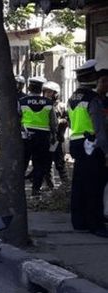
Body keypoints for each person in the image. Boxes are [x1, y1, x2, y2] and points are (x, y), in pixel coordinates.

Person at [67, 60, 108, 237]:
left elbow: (70, 122)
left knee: (79, 185)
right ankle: (96, 225)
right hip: (91, 145)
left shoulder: (72, 98)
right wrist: (106, 152)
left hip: (76, 143)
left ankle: (79, 221)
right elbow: (99, 128)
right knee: (94, 187)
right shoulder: (93, 99)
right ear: (92, 78)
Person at [19, 76, 57, 196]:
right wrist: (54, 135)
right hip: (43, 137)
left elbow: (17, 118)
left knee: (23, 163)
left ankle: (18, 190)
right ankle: (35, 190)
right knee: (39, 164)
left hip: (25, 137)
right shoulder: (49, 103)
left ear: (29, 87)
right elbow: (53, 123)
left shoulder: (22, 101)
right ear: (42, 90)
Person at [42, 81, 69, 188]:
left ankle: (66, 185)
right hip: (45, 138)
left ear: (55, 93)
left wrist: (59, 122)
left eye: (49, 92)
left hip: (57, 138)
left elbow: (67, 120)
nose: (47, 94)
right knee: (46, 164)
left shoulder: (61, 106)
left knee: (59, 163)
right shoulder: (43, 104)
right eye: (45, 92)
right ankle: (49, 185)